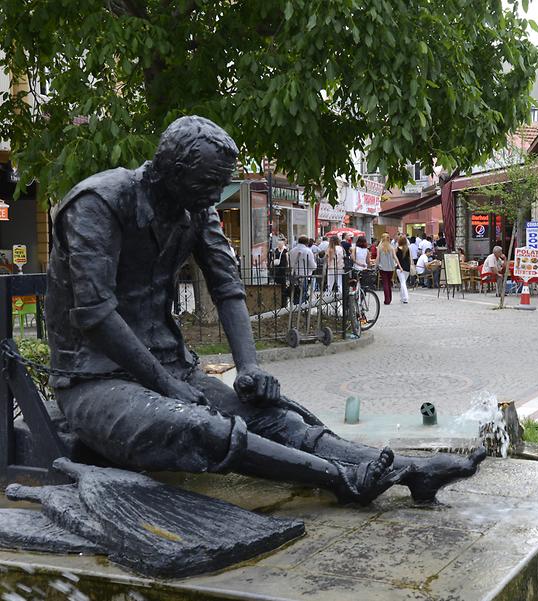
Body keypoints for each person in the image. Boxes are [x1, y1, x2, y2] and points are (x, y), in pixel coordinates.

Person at [45, 115, 484, 506]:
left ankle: (409, 470)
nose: (216, 197)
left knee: (274, 418)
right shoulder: (97, 204)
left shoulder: (194, 205)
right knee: (203, 429)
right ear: (169, 173)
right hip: (94, 380)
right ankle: (343, 480)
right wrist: (165, 385)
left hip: (172, 370)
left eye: (220, 185)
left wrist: (249, 367)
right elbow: (96, 313)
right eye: (208, 186)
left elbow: (227, 287)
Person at [291, 236, 317, 307]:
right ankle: (302, 308)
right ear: (307, 243)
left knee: (296, 292)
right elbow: (312, 265)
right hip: (304, 274)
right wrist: (315, 266)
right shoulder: (308, 251)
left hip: (294, 274)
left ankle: (295, 308)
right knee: (303, 293)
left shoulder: (292, 250)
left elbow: (291, 263)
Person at [375, 233, 399, 305]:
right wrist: (398, 265)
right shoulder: (391, 247)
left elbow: (378, 257)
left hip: (383, 267)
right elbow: (395, 257)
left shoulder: (379, 247)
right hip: (391, 268)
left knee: (385, 283)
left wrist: (375, 265)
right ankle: (390, 298)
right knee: (389, 282)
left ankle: (387, 300)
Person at [269, 236, 290, 307]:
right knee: (277, 282)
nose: (279, 245)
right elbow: (273, 258)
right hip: (277, 268)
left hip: (283, 268)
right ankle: (278, 299)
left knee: (283, 283)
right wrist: (271, 264)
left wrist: (288, 267)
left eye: (281, 244)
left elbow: (287, 259)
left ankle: (284, 301)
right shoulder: (276, 250)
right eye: (279, 244)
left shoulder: (285, 251)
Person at [396, 235, 413, 304]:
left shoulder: (397, 249)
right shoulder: (408, 249)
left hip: (400, 268)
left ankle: (405, 298)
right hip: (407, 268)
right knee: (403, 282)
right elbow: (410, 259)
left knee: (403, 283)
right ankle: (402, 297)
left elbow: (396, 259)